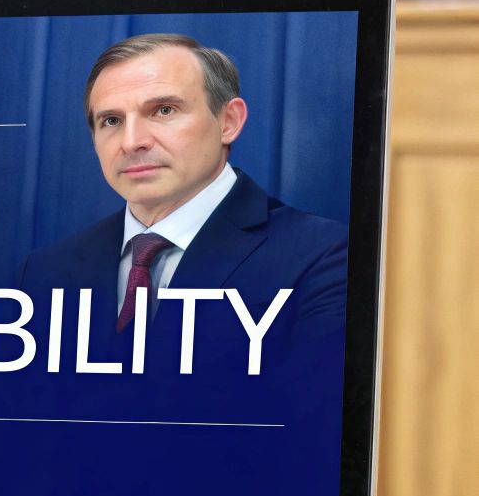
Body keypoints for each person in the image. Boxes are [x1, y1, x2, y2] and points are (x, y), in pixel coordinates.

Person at [18, 33, 348, 352]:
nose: (132, 142)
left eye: (164, 110)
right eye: (111, 121)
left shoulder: (324, 255)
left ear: (228, 121)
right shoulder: (45, 270)